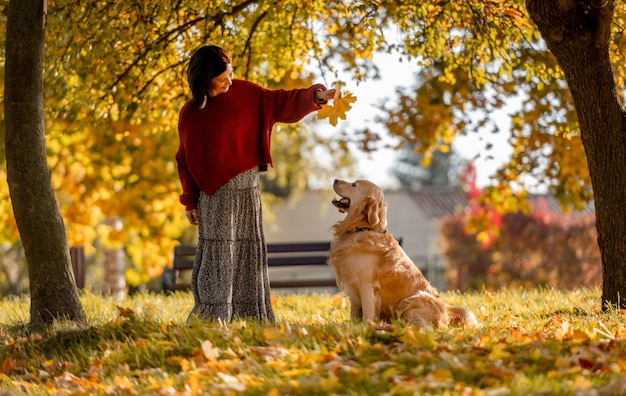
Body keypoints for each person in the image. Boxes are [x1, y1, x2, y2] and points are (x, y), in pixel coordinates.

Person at [176, 45, 335, 322]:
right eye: (223, 77)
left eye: (231, 73)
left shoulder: (246, 93)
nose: (230, 80)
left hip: (248, 191)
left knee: (249, 252)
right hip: (215, 197)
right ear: (204, 79)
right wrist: (190, 200)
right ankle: (212, 317)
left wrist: (316, 96)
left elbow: (280, 102)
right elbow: (184, 160)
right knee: (219, 253)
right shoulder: (190, 113)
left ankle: (252, 317)